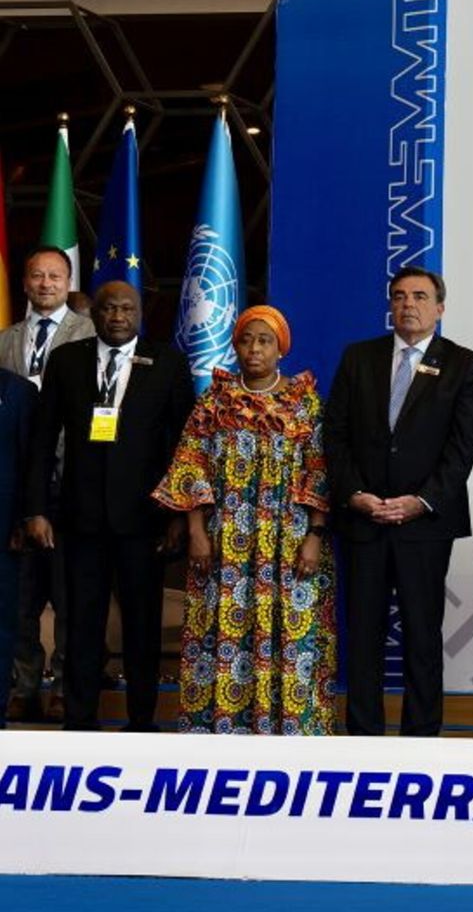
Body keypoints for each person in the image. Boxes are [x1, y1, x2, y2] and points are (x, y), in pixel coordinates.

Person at [152, 306, 336, 734]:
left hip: (289, 543)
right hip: (226, 542)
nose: (254, 349)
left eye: (264, 340)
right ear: (234, 346)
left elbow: (321, 471)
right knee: (223, 633)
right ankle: (222, 729)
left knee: (290, 636)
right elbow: (191, 466)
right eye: (246, 340)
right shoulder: (214, 401)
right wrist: (196, 532)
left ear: (280, 348)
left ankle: (287, 730)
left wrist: (314, 535)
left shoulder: (304, 401)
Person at [23, 280, 195, 731]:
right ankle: (80, 720)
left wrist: (179, 515)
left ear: (140, 314)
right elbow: (42, 440)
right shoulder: (67, 360)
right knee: (82, 623)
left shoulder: (168, 363)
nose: (118, 316)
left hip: (145, 521)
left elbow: (185, 448)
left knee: (142, 625)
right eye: (108, 308)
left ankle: (141, 722)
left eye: (127, 309)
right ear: (94, 314)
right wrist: (37, 509)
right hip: (80, 519)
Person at [324, 267, 473, 737]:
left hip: (424, 526)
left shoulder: (462, 363)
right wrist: (354, 494)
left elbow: (463, 447)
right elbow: (334, 435)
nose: (408, 304)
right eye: (399, 296)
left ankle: (422, 739)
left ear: (440, 308)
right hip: (364, 520)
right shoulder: (359, 357)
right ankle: (364, 739)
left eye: (419, 296)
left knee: (422, 636)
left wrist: (422, 500)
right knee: (363, 636)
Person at [0, 247, 93, 723]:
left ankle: (63, 686)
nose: (45, 284)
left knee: (69, 594)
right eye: (37, 275)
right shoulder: (6, 340)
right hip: (18, 484)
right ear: (25, 283)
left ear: (68, 282)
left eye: (55, 276)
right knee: (21, 595)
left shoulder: (92, 335)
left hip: (72, 483)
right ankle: (24, 685)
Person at [0, 368, 36, 729]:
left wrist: (23, 519)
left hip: (3, 531)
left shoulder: (18, 391)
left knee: (2, 625)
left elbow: (30, 463)